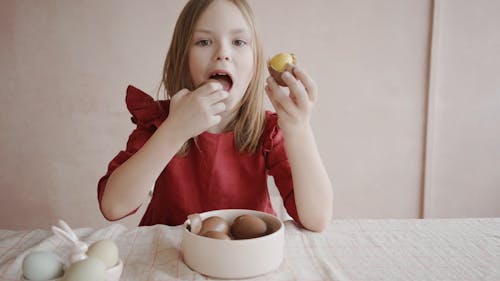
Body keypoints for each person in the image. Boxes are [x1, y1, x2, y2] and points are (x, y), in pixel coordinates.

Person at [98, 0, 332, 232]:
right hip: (170, 256)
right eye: (204, 41)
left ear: (255, 62)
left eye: (239, 41)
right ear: (183, 59)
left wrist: (299, 128)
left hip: (244, 260)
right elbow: (114, 206)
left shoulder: (268, 130)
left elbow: (317, 219)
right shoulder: (160, 123)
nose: (223, 54)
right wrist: (174, 131)